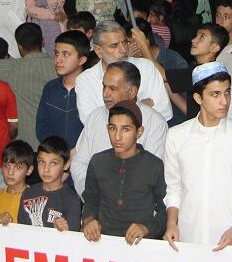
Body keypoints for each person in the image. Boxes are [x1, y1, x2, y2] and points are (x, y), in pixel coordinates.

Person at [163, 62, 232, 249]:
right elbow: (173, 189)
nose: (224, 101)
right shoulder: (176, 136)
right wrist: (171, 224)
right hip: (188, 240)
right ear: (198, 98)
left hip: (231, 244)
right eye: (215, 94)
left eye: (227, 92)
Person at [71, 60, 169, 193]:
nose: (105, 94)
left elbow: (151, 173)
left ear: (132, 92)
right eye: (104, 87)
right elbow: (79, 164)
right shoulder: (94, 117)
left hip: (136, 203)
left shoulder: (155, 123)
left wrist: (116, 199)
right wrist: (91, 194)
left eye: (112, 89)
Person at [81, 102, 167, 244]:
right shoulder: (98, 162)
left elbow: (166, 211)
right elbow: (90, 201)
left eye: (125, 129)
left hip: (140, 245)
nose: (117, 137)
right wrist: (89, 221)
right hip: (102, 243)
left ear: (139, 132)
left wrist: (147, 228)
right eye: (112, 128)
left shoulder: (154, 166)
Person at [74, 21, 171, 123]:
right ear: (98, 50)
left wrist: (111, 115)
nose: (123, 50)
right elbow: (92, 124)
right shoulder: (85, 80)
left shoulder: (146, 66)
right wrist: (141, 106)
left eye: (125, 43)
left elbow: (165, 112)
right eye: (114, 46)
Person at [0, 22, 56, 138]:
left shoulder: (12, 67)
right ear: (43, 41)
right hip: (54, 141)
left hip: (26, 140)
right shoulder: (60, 66)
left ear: (19, 46)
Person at [16, 136, 81, 229]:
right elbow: (20, 230)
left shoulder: (72, 199)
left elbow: (73, 235)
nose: (46, 169)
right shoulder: (28, 193)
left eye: (53, 163)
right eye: (42, 162)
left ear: (66, 165)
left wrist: (65, 230)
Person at [36, 29, 86, 145]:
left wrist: (79, 150)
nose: (58, 60)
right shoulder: (50, 88)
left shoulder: (91, 88)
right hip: (54, 153)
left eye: (66, 54)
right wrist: (55, 151)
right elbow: (42, 126)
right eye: (57, 53)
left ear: (82, 60)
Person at [0, 140, 34, 224]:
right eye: (7, 166)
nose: (10, 172)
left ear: (29, 170)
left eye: (18, 167)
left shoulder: (34, 200)